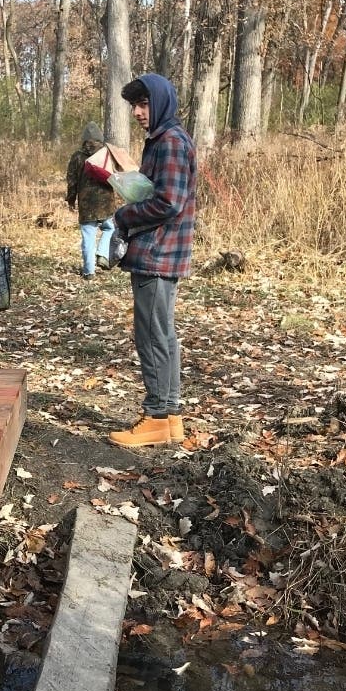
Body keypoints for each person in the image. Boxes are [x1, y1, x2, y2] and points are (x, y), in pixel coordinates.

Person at [107, 74, 197, 448]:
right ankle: (170, 416)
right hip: (160, 252)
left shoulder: (171, 143)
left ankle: (157, 415)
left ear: (160, 103)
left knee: (152, 335)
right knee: (163, 334)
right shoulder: (164, 139)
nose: (138, 113)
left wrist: (124, 217)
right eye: (134, 106)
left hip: (159, 254)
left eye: (144, 104)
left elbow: (168, 203)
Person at [66, 122, 121, 280]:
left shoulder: (77, 156)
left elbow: (72, 180)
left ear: (84, 139)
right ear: (100, 137)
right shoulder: (107, 153)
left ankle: (89, 271)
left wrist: (71, 199)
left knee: (88, 237)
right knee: (109, 228)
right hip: (106, 202)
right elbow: (116, 174)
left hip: (86, 203)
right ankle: (102, 254)